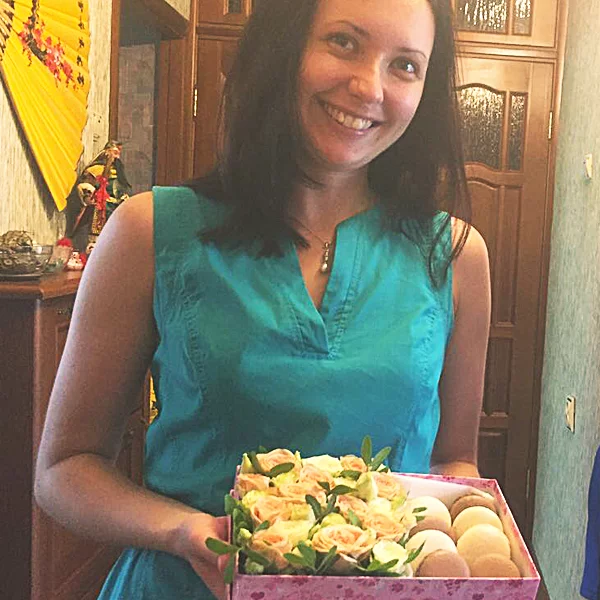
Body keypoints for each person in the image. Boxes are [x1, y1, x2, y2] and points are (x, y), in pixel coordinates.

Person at [34, 0, 491, 598]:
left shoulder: (455, 256)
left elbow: (454, 465)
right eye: (344, 43)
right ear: (284, 45)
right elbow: (65, 468)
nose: (368, 87)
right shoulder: (149, 232)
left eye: (405, 65)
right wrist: (183, 531)